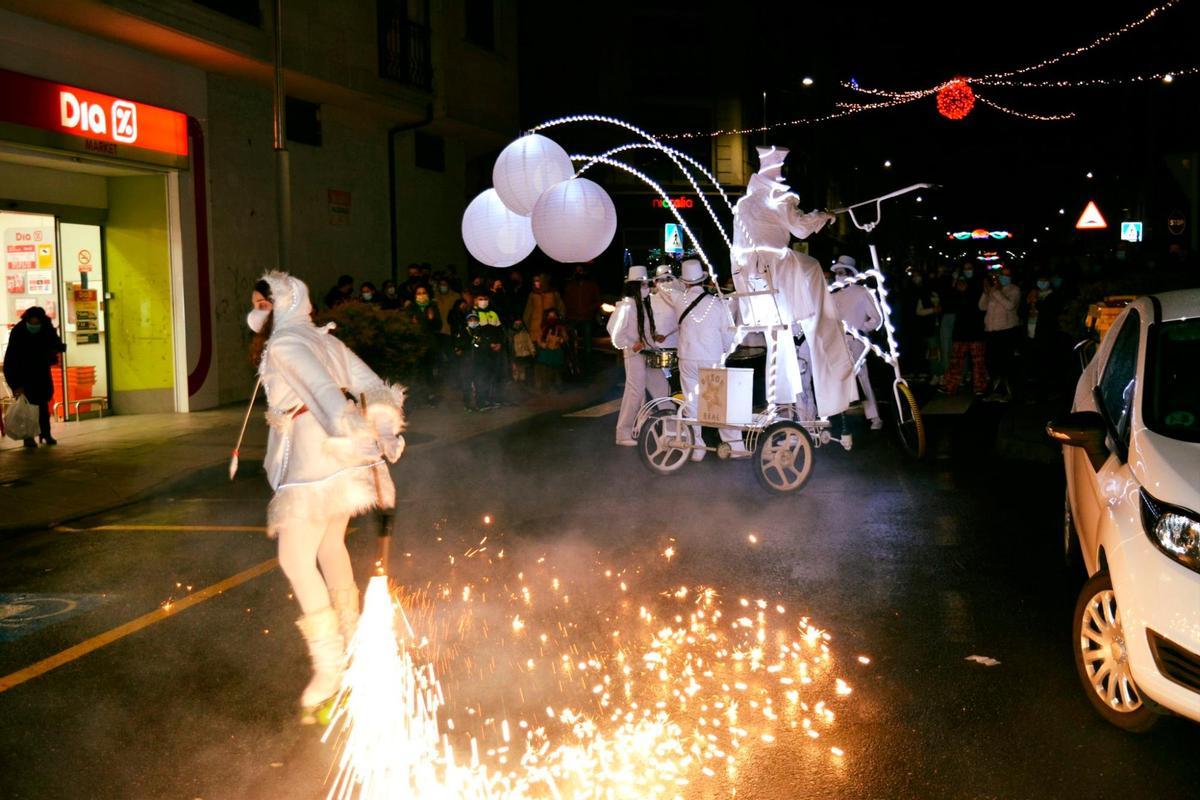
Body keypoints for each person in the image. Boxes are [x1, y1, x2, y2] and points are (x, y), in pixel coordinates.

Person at [246, 272, 405, 721]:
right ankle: (353, 645)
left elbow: (322, 394)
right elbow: (373, 385)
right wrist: (384, 429)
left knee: (295, 560)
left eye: (262, 301)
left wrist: (355, 432)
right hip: (337, 449)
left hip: (319, 453)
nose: (256, 311)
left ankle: (330, 671)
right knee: (330, 546)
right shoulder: (323, 341)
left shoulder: (287, 343)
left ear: (282, 302)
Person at [731, 145, 853, 417]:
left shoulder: (744, 202)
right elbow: (800, 228)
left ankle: (782, 401)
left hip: (751, 279)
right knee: (813, 270)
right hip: (775, 270)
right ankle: (811, 314)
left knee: (779, 338)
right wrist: (822, 217)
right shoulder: (778, 197)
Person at [658, 259, 743, 461]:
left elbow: (663, 287)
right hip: (711, 358)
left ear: (685, 282)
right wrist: (726, 351)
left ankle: (698, 446)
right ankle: (734, 445)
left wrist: (670, 281)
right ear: (703, 280)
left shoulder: (679, 300)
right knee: (718, 403)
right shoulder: (717, 303)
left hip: (687, 357)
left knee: (692, 403)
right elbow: (728, 336)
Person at [607, 266, 671, 445]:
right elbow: (614, 333)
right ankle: (623, 433)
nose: (646, 287)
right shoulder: (626, 307)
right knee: (635, 393)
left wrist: (654, 335)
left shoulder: (643, 305)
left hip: (649, 354)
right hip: (634, 356)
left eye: (647, 284)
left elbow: (644, 329)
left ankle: (673, 429)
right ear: (634, 286)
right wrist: (631, 345)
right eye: (643, 284)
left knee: (662, 390)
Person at [830, 258, 884, 430]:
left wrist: (861, 329)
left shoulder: (862, 292)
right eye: (837, 273)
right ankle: (836, 414)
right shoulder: (833, 294)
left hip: (856, 340)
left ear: (850, 273)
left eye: (842, 272)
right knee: (837, 377)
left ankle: (874, 417)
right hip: (838, 340)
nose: (838, 276)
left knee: (862, 377)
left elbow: (876, 318)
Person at [3, 306, 65, 447]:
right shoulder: (18, 332)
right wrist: (15, 384)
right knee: (28, 409)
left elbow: (56, 346)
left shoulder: (47, 329)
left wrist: (55, 350)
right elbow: (11, 359)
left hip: (41, 374)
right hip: (23, 375)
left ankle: (45, 434)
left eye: (37, 323)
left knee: (43, 406)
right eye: (32, 323)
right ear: (27, 320)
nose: (34, 326)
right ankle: (28, 437)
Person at [941, 262, 988, 395]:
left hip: (976, 327)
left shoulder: (979, 284)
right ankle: (951, 385)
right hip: (961, 327)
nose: (967, 271)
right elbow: (950, 301)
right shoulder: (958, 284)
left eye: (970, 268)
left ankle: (980, 386)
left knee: (978, 360)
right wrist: (955, 284)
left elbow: (981, 303)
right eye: (965, 268)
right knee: (956, 359)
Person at [979, 266, 1021, 402]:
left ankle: (1008, 392)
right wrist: (986, 293)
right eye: (1001, 275)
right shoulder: (994, 290)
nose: (1003, 277)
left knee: (1005, 363)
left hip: (1006, 331)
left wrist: (997, 292)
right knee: (992, 362)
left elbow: (1010, 306)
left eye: (1006, 275)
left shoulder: (1014, 290)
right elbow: (982, 306)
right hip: (991, 331)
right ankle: (996, 390)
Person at [407, 285, 442, 404]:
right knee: (416, 371)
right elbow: (406, 326)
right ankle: (415, 396)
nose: (421, 295)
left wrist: (432, 319)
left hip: (430, 343)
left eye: (424, 292)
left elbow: (439, 325)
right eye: (419, 293)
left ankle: (431, 395)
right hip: (416, 343)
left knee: (429, 370)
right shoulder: (411, 307)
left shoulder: (432, 306)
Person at [564, 265, 601, 368]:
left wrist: (588, 310)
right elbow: (566, 301)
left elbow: (597, 301)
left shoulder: (592, 285)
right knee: (572, 342)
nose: (579, 273)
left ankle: (587, 365)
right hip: (572, 317)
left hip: (586, 317)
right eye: (577, 271)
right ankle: (572, 363)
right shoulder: (570, 286)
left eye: (581, 270)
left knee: (587, 343)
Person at [467, 309, 504, 408]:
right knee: (473, 382)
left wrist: (489, 344)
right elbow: (468, 345)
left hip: (482, 360)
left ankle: (486, 400)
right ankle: (474, 403)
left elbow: (484, 343)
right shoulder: (465, 331)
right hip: (470, 361)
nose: (473, 321)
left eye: (475, 319)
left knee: (484, 380)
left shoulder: (482, 331)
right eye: (470, 319)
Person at [523, 274, 565, 345]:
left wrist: (559, 320)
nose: (536, 283)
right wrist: (527, 325)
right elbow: (528, 311)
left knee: (551, 346)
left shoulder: (553, 293)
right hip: (535, 327)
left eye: (538, 281)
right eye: (534, 281)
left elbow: (561, 308)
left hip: (551, 326)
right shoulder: (533, 295)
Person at [534, 308, 567, 392]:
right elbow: (538, 338)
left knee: (557, 371)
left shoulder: (560, 328)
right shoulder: (543, 328)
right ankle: (545, 388)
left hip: (556, 350)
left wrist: (561, 340)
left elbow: (565, 337)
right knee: (545, 370)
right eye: (550, 316)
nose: (552, 318)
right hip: (546, 351)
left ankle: (559, 387)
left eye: (554, 316)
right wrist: (543, 344)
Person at [510, 319, 535, 384]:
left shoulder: (525, 333)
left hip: (524, 354)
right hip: (516, 354)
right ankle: (515, 381)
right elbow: (510, 344)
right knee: (516, 368)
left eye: (520, 324)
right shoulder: (511, 334)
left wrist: (532, 351)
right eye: (516, 324)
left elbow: (529, 342)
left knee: (523, 368)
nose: (518, 325)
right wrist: (512, 353)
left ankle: (522, 381)